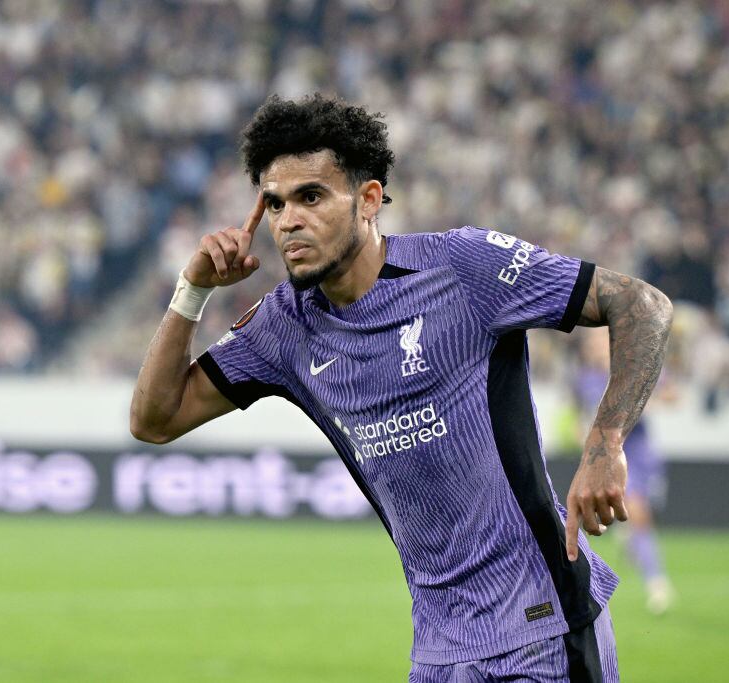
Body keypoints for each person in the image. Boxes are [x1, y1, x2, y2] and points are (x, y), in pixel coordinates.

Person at [130, 94, 673, 682]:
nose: (288, 220)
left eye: (311, 196)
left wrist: (605, 445)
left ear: (368, 200)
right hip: (438, 651)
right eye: (274, 202)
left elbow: (641, 304)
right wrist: (192, 289)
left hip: (545, 633)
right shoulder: (283, 327)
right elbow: (155, 419)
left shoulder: (461, 268)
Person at [573, 329, 675, 615]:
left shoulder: (635, 367)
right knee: (637, 514)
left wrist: (643, 403)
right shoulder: (585, 380)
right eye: (591, 343)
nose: (595, 348)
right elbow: (581, 415)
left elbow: (671, 393)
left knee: (642, 514)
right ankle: (657, 585)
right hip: (610, 458)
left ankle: (631, 538)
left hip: (640, 455)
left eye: (600, 342)